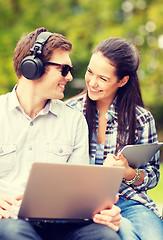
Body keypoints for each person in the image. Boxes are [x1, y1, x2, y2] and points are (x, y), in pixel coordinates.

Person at [0, 27, 123, 240]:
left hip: (65, 222)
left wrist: (104, 211)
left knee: (106, 236)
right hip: (11, 221)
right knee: (14, 234)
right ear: (33, 68)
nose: (69, 77)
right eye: (64, 69)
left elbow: (81, 193)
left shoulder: (74, 120)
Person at [66, 37, 163, 240]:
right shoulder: (70, 112)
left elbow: (153, 176)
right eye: (90, 72)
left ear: (122, 80)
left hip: (130, 201)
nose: (92, 82)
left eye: (103, 78)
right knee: (124, 234)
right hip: (83, 202)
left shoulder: (141, 119)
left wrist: (127, 172)